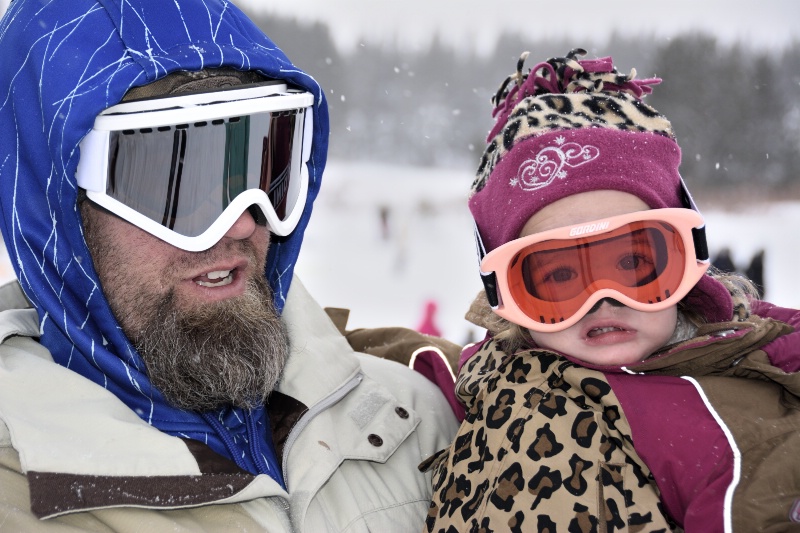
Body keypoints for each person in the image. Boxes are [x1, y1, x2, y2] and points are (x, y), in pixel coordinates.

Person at [0, 0, 461, 530]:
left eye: (263, 166)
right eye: (179, 184)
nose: (243, 224)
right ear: (55, 208)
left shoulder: (424, 421)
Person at [421, 49, 800, 532]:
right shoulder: (488, 379)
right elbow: (412, 368)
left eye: (632, 263)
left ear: (687, 260)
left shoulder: (743, 417)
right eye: (560, 278)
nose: (603, 298)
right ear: (508, 300)